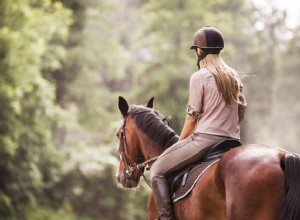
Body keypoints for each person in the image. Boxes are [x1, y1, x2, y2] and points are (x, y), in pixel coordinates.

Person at [150, 26, 247, 220]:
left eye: (196, 49)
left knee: (157, 170)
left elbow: (192, 117)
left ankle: (166, 217)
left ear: (199, 50)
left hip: (205, 140)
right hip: (232, 141)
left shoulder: (199, 76)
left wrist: (180, 142)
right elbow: (241, 111)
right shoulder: (233, 77)